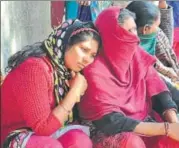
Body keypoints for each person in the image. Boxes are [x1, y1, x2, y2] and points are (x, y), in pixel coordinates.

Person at [78, 7, 179, 148]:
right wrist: (166, 128)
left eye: (134, 29)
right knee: (131, 143)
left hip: (143, 121)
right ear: (111, 36)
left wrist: (173, 125)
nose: (135, 38)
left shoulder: (135, 55)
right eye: (128, 31)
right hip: (107, 131)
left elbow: (158, 88)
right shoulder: (94, 70)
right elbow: (111, 121)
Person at [1, 19, 101, 148]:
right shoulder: (35, 69)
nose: (87, 59)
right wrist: (74, 92)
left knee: (80, 140)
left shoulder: (65, 74)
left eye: (92, 55)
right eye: (83, 49)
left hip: (40, 135)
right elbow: (43, 128)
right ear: (65, 44)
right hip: (12, 134)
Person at [126, 1, 179, 108]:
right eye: (157, 25)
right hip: (159, 95)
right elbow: (156, 82)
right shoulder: (131, 51)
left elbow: (167, 30)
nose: (159, 28)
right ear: (146, 29)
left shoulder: (156, 35)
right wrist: (167, 72)